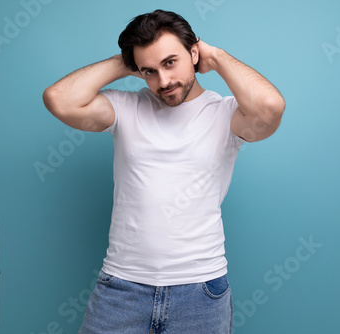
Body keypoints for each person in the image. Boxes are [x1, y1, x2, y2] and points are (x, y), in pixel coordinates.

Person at [43, 9, 285, 334]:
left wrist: (218, 56)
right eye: (149, 71)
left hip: (201, 292)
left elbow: (270, 108)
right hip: (122, 289)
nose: (164, 81)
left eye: (170, 62)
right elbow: (58, 100)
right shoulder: (126, 108)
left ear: (193, 53)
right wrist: (126, 61)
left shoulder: (226, 114)